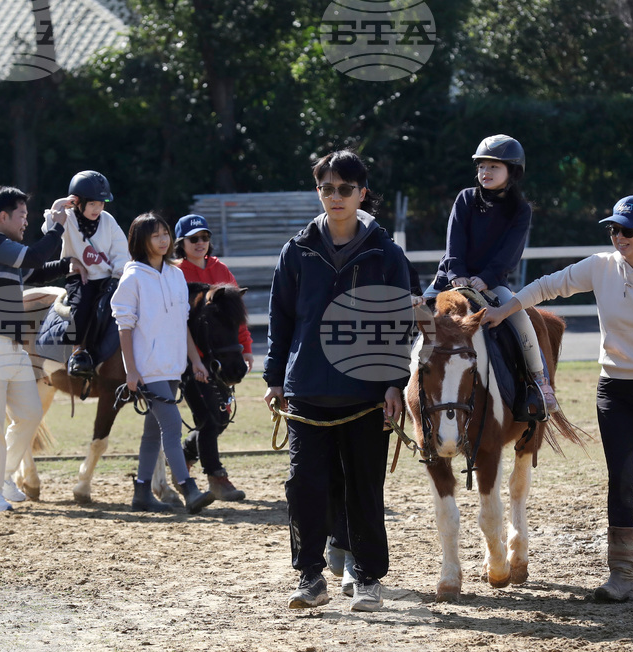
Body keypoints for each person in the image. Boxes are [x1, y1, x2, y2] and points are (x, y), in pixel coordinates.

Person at [483, 195, 633, 601]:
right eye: (613, 229)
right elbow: (549, 286)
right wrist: (505, 310)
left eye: (626, 230)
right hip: (615, 388)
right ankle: (622, 576)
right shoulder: (602, 266)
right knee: (621, 478)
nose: (618, 237)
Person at [263, 150, 412, 612]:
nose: (336, 196)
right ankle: (310, 577)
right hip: (306, 388)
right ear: (319, 192)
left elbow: (400, 323)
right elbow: (280, 319)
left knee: (363, 488)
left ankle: (367, 578)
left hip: (367, 393)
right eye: (327, 188)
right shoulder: (296, 250)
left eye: (345, 188)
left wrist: (395, 382)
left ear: (362, 193)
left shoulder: (386, 253)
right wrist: (274, 378)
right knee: (304, 486)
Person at [0, 186, 86, 512]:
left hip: (11, 349)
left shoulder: (5, 251)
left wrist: (68, 265)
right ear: (3, 216)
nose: (25, 222)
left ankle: (2, 477)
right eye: (22, 215)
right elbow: (33, 257)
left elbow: (35, 270)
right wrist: (55, 227)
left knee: (30, 414)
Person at [423, 134, 556, 415]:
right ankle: (395, 383)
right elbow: (454, 241)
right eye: (482, 166)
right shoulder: (465, 198)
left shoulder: (521, 210)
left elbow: (511, 251)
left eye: (494, 166)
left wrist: (487, 277)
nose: (485, 172)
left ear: (512, 171)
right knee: (415, 316)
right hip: (450, 279)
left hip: (492, 283)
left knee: (521, 320)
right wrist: (457, 273)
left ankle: (539, 382)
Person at [110, 212, 214, 514]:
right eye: (155, 235)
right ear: (140, 241)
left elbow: (182, 324)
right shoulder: (132, 277)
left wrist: (195, 361)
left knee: (153, 432)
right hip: (148, 368)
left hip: (172, 366)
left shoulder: (175, 275)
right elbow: (124, 327)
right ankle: (188, 488)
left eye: (165, 233)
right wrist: (131, 370)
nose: (163, 240)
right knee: (171, 425)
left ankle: (142, 492)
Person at [173, 213, 252, 501]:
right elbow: (177, 322)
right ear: (181, 243)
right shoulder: (175, 274)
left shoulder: (221, 269)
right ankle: (216, 478)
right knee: (208, 417)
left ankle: (184, 454)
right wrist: (194, 360)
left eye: (204, 237)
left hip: (218, 359)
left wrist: (245, 347)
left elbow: (236, 316)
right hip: (187, 358)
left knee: (221, 417)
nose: (200, 243)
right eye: (193, 238)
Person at [42, 170, 129, 379]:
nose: (97, 209)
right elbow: (48, 230)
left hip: (109, 278)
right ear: (77, 202)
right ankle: (78, 352)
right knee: (81, 308)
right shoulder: (68, 218)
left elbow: (120, 250)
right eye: (92, 204)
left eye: (101, 204)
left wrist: (118, 275)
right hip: (80, 278)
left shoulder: (108, 221)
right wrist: (56, 207)